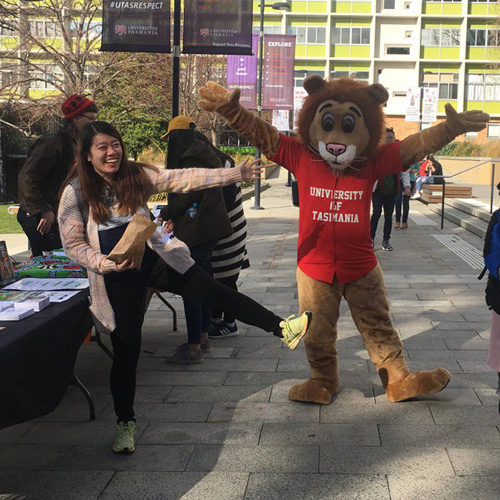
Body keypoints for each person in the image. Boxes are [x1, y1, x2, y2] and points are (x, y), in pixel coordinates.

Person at [57, 121, 312, 454]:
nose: (111, 152)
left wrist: (234, 174)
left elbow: (182, 177)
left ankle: (282, 328)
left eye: (115, 144)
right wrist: (104, 263)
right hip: (116, 276)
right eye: (102, 147)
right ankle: (125, 424)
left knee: (214, 290)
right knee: (127, 351)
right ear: (88, 155)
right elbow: (73, 244)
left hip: (155, 258)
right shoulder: (75, 192)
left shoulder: (135, 175)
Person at [159, 116, 233, 363]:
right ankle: (202, 338)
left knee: (191, 286)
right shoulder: (204, 152)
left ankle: (193, 349)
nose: (169, 144)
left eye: (170, 138)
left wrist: (166, 212)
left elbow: (188, 196)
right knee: (204, 281)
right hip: (208, 228)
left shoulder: (190, 158)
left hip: (200, 231)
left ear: (177, 137)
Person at [17, 94, 98, 256]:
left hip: (57, 213)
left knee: (65, 259)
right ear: (75, 118)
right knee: (51, 261)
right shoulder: (52, 142)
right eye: (90, 118)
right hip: (40, 215)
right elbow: (28, 177)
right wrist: (43, 209)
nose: (93, 124)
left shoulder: (75, 143)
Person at [208, 145, 250, 340]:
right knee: (219, 277)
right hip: (227, 230)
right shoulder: (219, 162)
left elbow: (224, 202)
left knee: (227, 279)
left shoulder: (223, 165)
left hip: (229, 232)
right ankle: (216, 318)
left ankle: (230, 323)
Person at [370, 128, 410, 250]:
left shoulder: (397, 155)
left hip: (392, 191)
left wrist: (407, 186)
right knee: (376, 214)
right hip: (378, 191)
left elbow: (404, 172)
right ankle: (370, 239)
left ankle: (386, 241)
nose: (389, 140)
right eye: (387, 138)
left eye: (391, 138)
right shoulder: (377, 154)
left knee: (388, 217)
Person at [394, 161, 419, 229]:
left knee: (405, 201)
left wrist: (410, 170)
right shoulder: (404, 159)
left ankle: (404, 221)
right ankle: (397, 220)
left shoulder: (415, 160)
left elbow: (417, 170)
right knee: (398, 200)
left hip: (410, 180)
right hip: (400, 180)